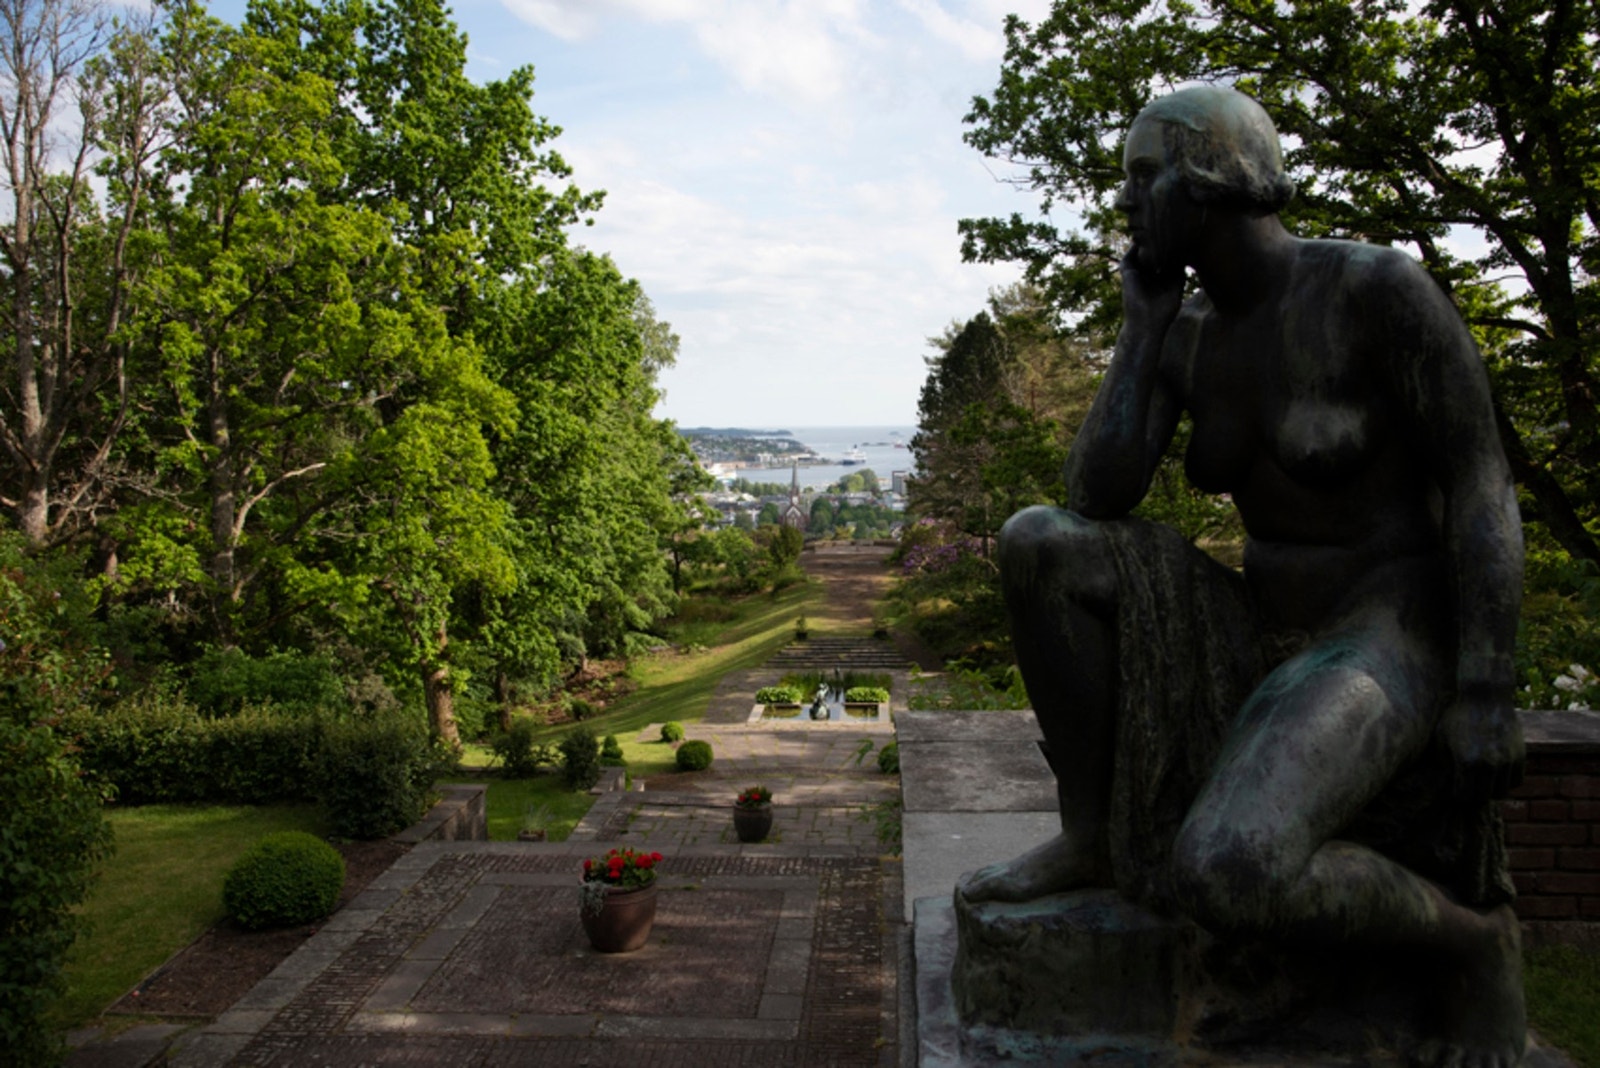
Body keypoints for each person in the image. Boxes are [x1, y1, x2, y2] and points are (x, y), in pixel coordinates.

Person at [956, 86, 1526, 1068]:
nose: (1123, 203)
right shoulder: (1188, 338)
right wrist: (1140, 328)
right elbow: (1095, 493)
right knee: (1039, 542)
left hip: (1386, 625)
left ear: (1213, 181)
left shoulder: (1374, 291)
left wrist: (1486, 684)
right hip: (1257, 617)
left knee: (1227, 869)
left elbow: (1481, 483)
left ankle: (1472, 945)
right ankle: (1089, 835)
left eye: (1142, 178)